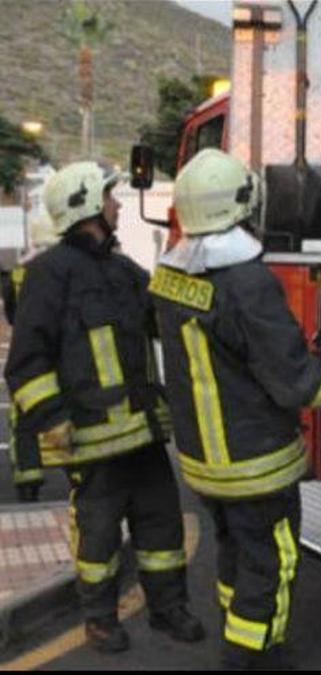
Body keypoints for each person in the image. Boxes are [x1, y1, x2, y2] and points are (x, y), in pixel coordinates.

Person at [150, 148, 321, 669]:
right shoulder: (247, 283)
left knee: (233, 551)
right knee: (271, 560)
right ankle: (251, 654)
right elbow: (295, 378)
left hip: (204, 464)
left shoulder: (168, 280)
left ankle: (241, 633)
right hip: (254, 465)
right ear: (241, 204)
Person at [3, 161, 205, 653]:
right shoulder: (46, 276)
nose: (117, 204)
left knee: (161, 528)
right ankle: (98, 618)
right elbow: (26, 362)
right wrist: (52, 421)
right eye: (110, 198)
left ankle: (168, 609)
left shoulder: (122, 268)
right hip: (91, 440)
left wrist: (211, 285)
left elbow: (168, 305)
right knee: (97, 539)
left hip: (142, 434)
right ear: (89, 206)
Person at [1, 212, 56, 502]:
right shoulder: (63, 267)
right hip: (61, 351)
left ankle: (28, 476)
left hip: (28, 353)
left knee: (23, 414)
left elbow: (10, 314)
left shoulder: (19, 273)